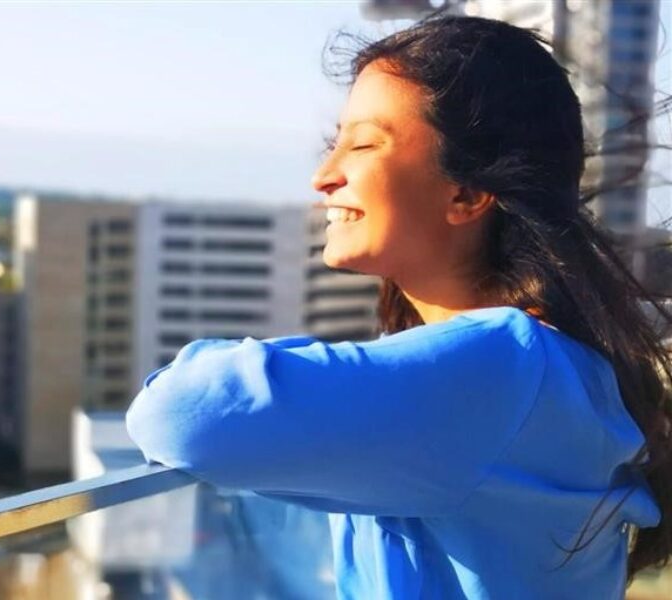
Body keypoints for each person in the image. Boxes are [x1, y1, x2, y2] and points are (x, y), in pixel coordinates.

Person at [126, 15, 672, 599]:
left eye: (363, 144)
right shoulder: (554, 365)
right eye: (333, 143)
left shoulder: (497, 372)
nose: (324, 176)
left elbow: (180, 416)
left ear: (465, 192)